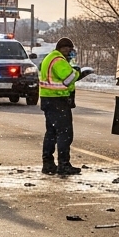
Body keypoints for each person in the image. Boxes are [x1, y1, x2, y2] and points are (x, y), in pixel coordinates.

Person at [39, 37, 82, 176]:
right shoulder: (58, 60)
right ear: (63, 48)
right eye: (69, 49)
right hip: (57, 100)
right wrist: (77, 72)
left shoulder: (50, 58)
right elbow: (68, 78)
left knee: (51, 133)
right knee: (65, 133)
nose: (70, 52)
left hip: (49, 99)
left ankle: (48, 163)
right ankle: (64, 164)